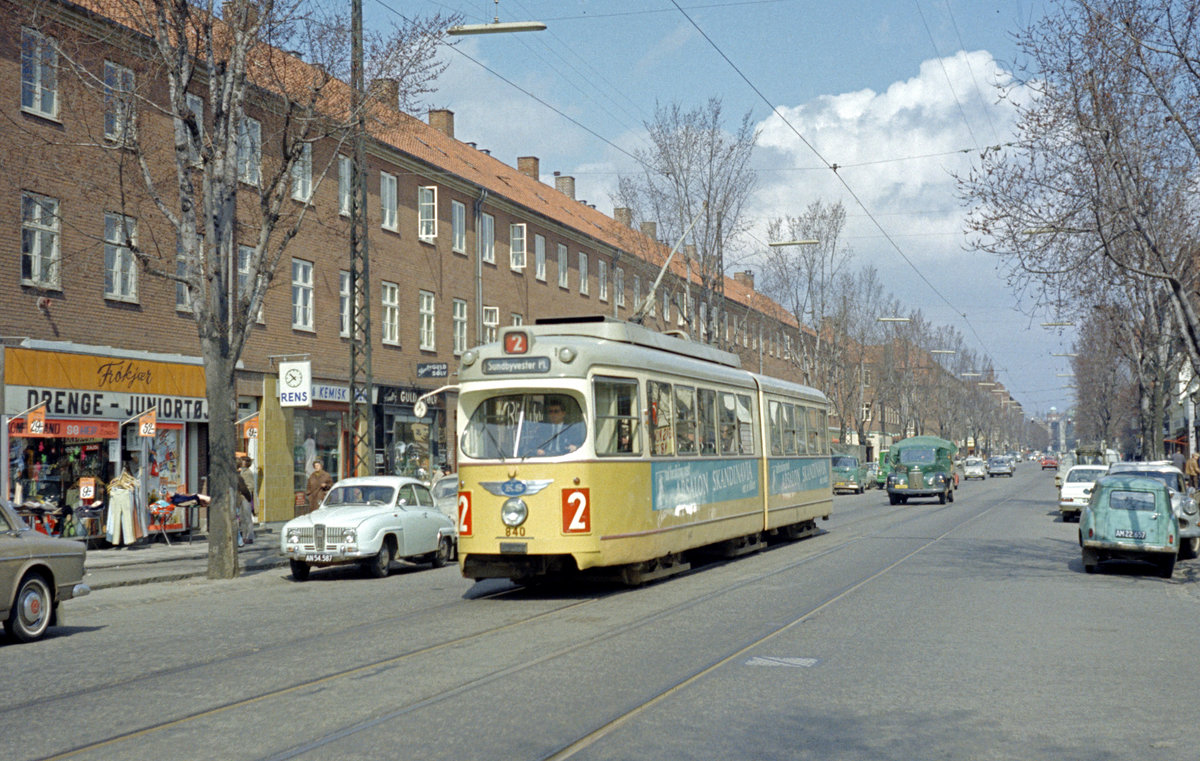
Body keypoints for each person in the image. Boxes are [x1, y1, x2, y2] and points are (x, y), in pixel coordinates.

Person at [236, 456, 256, 545]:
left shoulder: (248, 473)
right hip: (241, 497)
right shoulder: (242, 472)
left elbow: (250, 486)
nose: (242, 463)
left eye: (243, 461)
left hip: (245, 497)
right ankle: (244, 536)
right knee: (242, 518)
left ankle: (250, 537)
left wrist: (246, 494)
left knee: (247, 517)